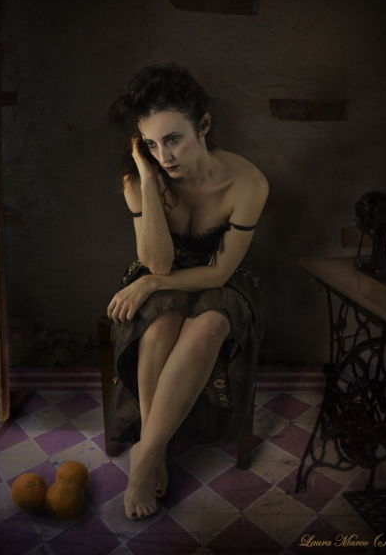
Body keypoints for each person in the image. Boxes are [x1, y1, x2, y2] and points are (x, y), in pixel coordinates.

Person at [106, 64, 269, 520]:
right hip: (161, 272)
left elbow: (219, 272)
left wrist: (153, 282)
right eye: (151, 144)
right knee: (160, 323)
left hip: (222, 278)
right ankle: (154, 450)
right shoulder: (140, 179)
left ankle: (144, 455)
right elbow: (157, 263)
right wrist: (147, 179)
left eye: (173, 139)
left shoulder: (248, 183)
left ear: (204, 124)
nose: (164, 155)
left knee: (213, 321)